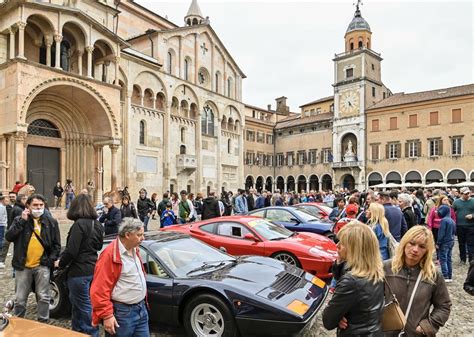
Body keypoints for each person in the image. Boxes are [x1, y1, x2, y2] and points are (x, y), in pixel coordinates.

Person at [384, 226, 451, 336]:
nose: (415, 249)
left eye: (422, 246)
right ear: (404, 243)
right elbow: (368, 299)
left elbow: (444, 306)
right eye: (412, 243)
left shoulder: (433, 275)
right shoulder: (385, 268)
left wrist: (427, 326)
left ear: (427, 251)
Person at [5, 194, 61, 322]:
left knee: (43, 296)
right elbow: (9, 237)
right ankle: (19, 322)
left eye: (41, 205)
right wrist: (21, 221)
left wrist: (50, 260)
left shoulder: (51, 222)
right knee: (20, 298)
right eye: (35, 205)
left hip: (42, 265)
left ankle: (43, 323)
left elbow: (56, 245)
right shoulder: (20, 219)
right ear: (28, 206)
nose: (38, 208)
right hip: (23, 265)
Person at [322, 221, 384, 336]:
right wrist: (340, 261)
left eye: (343, 243)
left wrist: (337, 315)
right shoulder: (375, 271)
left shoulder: (351, 281)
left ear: (355, 249)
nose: (337, 245)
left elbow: (328, 321)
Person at [55, 194, 104, 336]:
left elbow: (71, 251)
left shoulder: (79, 225)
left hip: (79, 271)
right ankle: (77, 333)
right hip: (93, 268)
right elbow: (99, 245)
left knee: (83, 306)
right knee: (78, 305)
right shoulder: (98, 224)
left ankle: (90, 333)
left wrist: (60, 263)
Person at [90, 218, 149, 337]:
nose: (143, 238)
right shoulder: (109, 255)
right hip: (122, 313)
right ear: (127, 235)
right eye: (139, 235)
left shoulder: (134, 249)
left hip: (141, 309)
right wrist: (107, 315)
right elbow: (99, 290)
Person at [452, 187, 474, 263]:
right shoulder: (456, 202)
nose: (468, 195)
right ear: (461, 194)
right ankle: (463, 259)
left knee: (471, 243)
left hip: (471, 225)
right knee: (461, 243)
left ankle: (471, 259)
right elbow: (452, 212)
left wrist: (472, 215)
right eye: (465, 194)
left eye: (468, 193)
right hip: (460, 225)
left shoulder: (473, 201)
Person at [436, 205, 456, 282]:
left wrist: (438, 242)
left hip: (444, 242)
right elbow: (454, 232)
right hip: (451, 241)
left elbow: (441, 233)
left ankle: (445, 276)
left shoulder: (444, 220)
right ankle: (449, 275)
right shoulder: (452, 220)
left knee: (443, 259)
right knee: (449, 259)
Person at [0, 196, 7, 269]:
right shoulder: (1, 207)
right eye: (5, 200)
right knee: (1, 240)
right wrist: (5, 223)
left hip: (2, 224)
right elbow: (2, 217)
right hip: (1, 225)